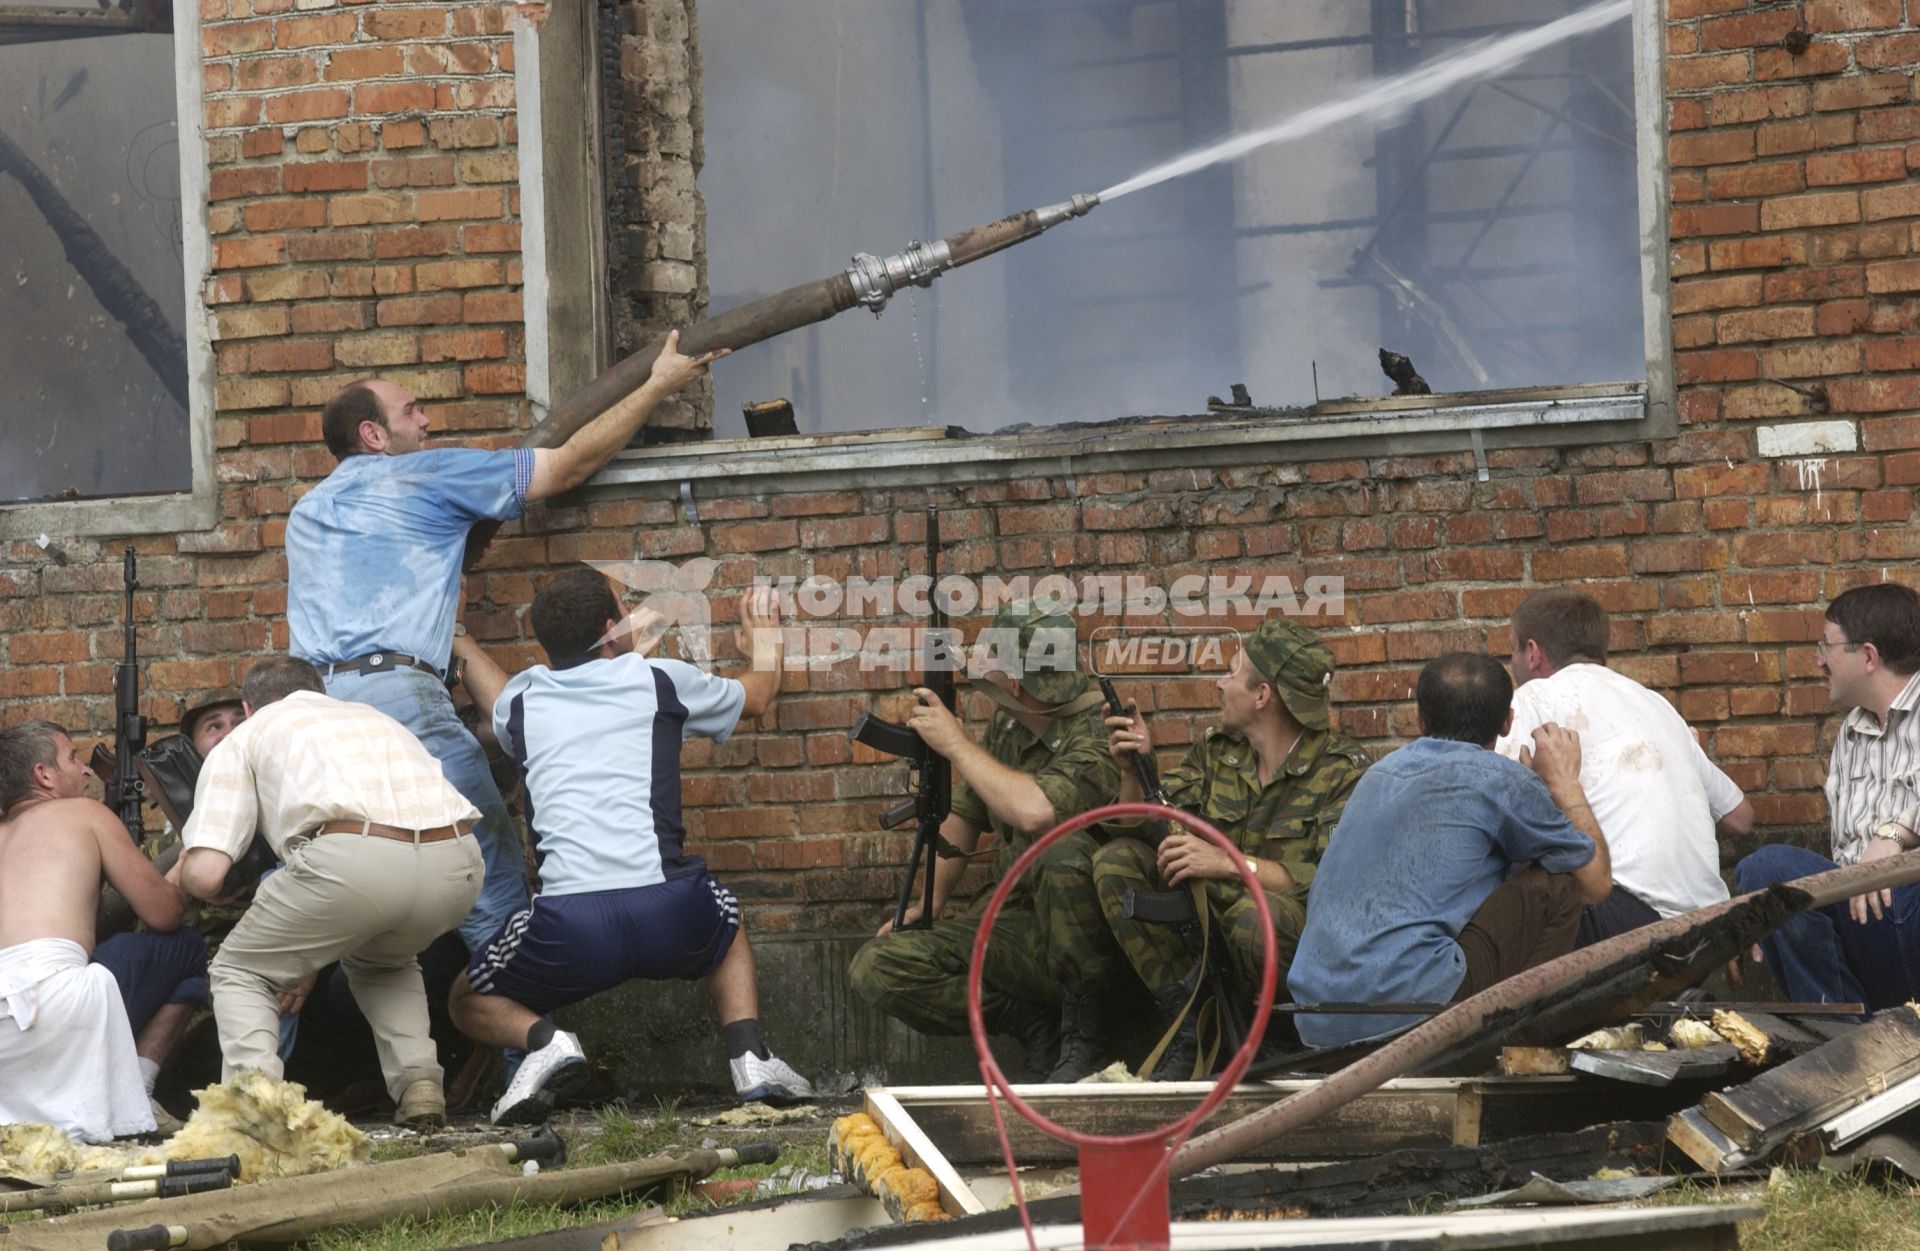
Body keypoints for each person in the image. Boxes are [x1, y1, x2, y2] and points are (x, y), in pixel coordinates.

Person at [284, 333, 720, 956]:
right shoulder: (421, 474)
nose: (426, 420)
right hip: (399, 701)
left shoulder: (306, 513)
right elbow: (565, 466)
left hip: (315, 713)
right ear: (373, 437)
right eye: (410, 412)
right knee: (493, 884)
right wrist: (658, 383)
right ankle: (534, 1048)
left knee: (308, 902)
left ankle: (260, 1044)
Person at [447, 569, 807, 1121]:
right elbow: (756, 697)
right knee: (726, 921)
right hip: (671, 911)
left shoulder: (524, 699)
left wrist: (457, 632)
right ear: (611, 627)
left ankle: (546, 1042)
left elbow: (499, 703)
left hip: (571, 927)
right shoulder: (661, 679)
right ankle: (749, 1056)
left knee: (465, 999)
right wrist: (764, 642)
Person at [175, 658, 486, 1129]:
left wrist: (187, 863)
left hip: (353, 862)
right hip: (458, 861)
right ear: (321, 691)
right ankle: (421, 1084)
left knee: (241, 970)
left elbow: (205, 875)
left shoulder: (248, 735)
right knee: (384, 961)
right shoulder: (373, 719)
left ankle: (254, 1115)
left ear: (248, 707)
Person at [847, 600, 1119, 1082]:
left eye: (990, 652)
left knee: (1059, 850)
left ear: (1014, 683)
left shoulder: (1100, 735)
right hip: (1016, 929)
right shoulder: (1010, 723)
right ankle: (1032, 1022)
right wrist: (928, 904)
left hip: (1087, 952)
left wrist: (955, 745)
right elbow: (966, 815)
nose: (977, 659)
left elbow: (1036, 811)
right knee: (878, 967)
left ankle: (1088, 1040)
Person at [1089, 618, 1369, 1078]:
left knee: (1253, 915)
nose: (1220, 683)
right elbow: (1152, 824)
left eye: (1232, 673)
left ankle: (1277, 1038)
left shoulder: (1342, 772)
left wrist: (1229, 863)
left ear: (1263, 696)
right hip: (1216, 929)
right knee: (1115, 862)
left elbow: (1333, 881)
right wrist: (1132, 767)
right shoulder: (1220, 752)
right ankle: (1193, 1025)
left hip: (1299, 936)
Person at [1288, 652, 1612, 1049]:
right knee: (1559, 885)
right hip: (1409, 1016)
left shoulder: (1378, 774)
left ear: (1419, 718)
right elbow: (1595, 883)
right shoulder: (1502, 780)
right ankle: (1514, 1046)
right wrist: (1563, 784)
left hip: (1316, 1019)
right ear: (1508, 722)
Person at [1497, 589, 1753, 944]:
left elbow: (1486, 802)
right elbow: (1740, 817)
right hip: (1710, 927)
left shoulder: (1534, 698)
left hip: (1630, 923)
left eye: (1512, 649)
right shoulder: (1657, 704)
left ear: (1533, 652)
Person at [1733, 584, 1920, 1010]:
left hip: (1913, 912)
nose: (1819, 660)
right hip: (1865, 923)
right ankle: (1842, 1041)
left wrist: (1896, 833)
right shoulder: (1850, 734)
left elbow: (1892, 841)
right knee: (1766, 874)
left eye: (1827, 646)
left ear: (1868, 656)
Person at [0, 721, 188, 1141]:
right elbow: (164, 914)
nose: (86, 771)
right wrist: (183, 874)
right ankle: (138, 1090)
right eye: (72, 758)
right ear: (43, 776)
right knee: (186, 948)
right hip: (54, 1004)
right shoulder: (86, 814)